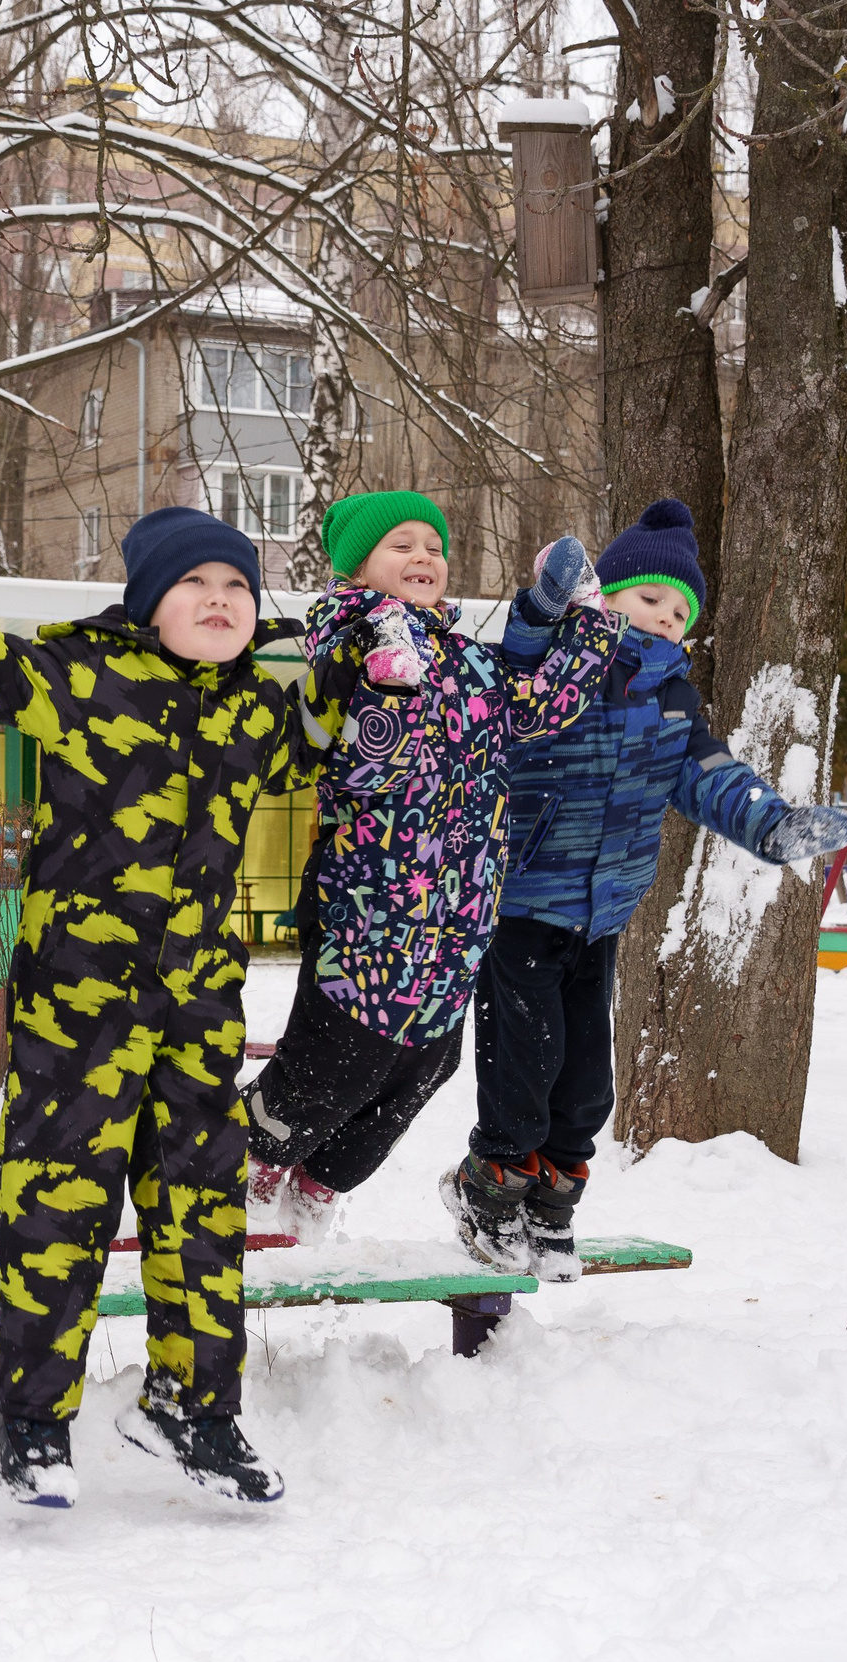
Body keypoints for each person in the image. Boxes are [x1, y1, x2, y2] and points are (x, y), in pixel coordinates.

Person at [0, 508, 338, 1509]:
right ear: (149, 604)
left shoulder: (252, 712)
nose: (221, 601)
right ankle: (33, 1422)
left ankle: (195, 1407)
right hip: (79, 1009)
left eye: (237, 587)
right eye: (196, 585)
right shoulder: (84, 677)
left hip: (200, 1007)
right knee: (57, 1205)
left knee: (200, 1211)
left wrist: (363, 676)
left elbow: (316, 744)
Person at [441, 500, 847, 1279]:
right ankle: (487, 1187)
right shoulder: (565, 657)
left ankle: (552, 1205)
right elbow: (519, 658)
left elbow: (709, 777)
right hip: (527, 903)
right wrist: (542, 603)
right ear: (606, 597)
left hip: (600, 917)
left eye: (680, 611)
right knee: (523, 1067)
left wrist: (772, 826)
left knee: (586, 1088)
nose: (667, 619)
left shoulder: (673, 700)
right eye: (650, 600)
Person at [242, 492, 619, 1242]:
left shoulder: (469, 658)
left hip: (458, 918)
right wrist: (387, 683)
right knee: (337, 1060)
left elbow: (538, 703)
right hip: (372, 911)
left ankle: (322, 1181)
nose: (423, 557)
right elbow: (354, 768)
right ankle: (247, 1151)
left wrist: (588, 616)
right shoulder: (348, 644)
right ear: (357, 568)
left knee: (424, 1068)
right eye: (400, 545)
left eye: (433, 546)